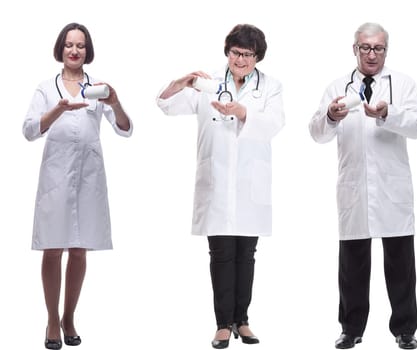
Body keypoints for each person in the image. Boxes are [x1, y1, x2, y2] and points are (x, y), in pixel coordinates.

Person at [156, 24, 284, 349]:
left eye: (248, 54)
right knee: (221, 254)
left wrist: (242, 111)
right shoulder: (208, 83)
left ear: (258, 58)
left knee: (247, 254)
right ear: (227, 51)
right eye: (236, 52)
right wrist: (179, 83)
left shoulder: (270, 87)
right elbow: (166, 105)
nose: (240, 59)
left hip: (249, 185)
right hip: (215, 183)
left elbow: (274, 123)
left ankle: (243, 319)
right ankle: (223, 324)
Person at [309, 22, 417, 350]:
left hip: (393, 191)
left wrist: (389, 113)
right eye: (365, 47)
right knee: (352, 266)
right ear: (355, 49)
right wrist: (332, 116)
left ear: (386, 50)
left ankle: (405, 329)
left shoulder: (402, 84)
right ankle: (351, 328)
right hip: (355, 189)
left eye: (378, 48)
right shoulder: (337, 86)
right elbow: (317, 133)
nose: (372, 54)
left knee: (401, 264)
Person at [22, 22, 133, 349]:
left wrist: (114, 102)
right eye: (69, 44)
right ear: (60, 49)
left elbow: (125, 129)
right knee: (53, 247)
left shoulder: (98, 87)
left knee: (80, 247)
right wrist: (57, 110)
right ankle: (52, 319)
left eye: (80, 45)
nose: (74, 50)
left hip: (88, 176)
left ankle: (70, 316)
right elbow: (29, 130)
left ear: (88, 50)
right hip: (55, 177)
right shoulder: (47, 88)